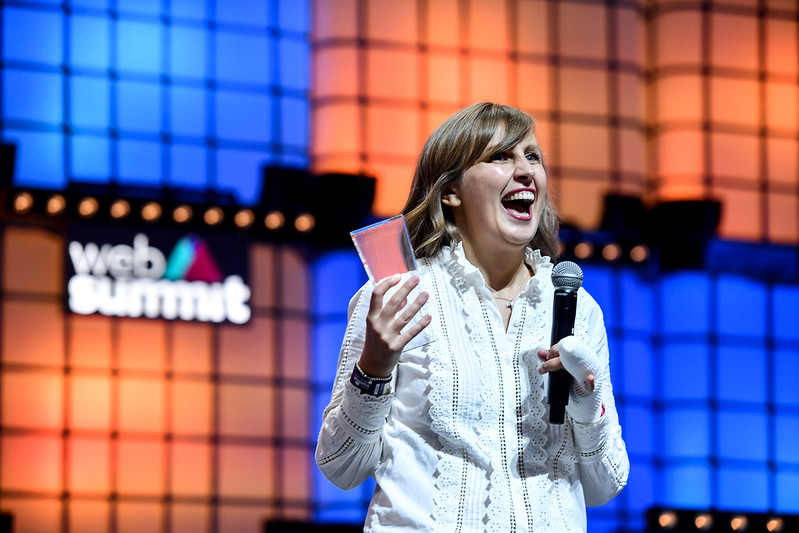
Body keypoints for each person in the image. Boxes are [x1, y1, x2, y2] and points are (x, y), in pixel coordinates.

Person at [315, 102, 629, 532]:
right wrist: (373, 367)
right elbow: (340, 466)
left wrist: (588, 407)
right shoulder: (399, 294)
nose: (525, 171)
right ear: (451, 191)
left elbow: (606, 485)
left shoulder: (576, 308)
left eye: (532, 156)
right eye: (501, 156)